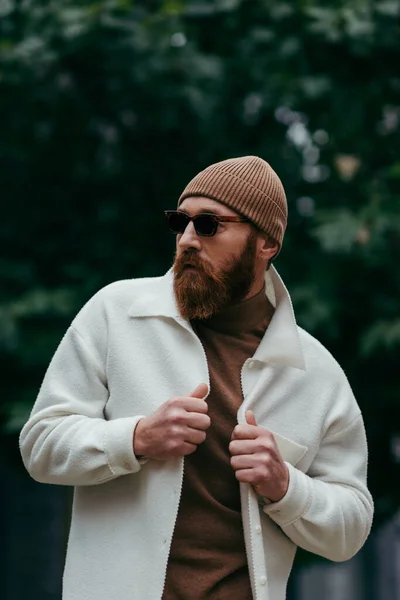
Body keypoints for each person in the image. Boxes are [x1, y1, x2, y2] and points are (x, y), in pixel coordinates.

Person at [20, 156, 373, 600]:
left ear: (265, 243)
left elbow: (352, 527)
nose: (187, 239)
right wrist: (135, 438)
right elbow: (39, 446)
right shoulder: (115, 312)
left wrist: (285, 485)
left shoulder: (315, 372)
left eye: (208, 225)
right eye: (179, 222)